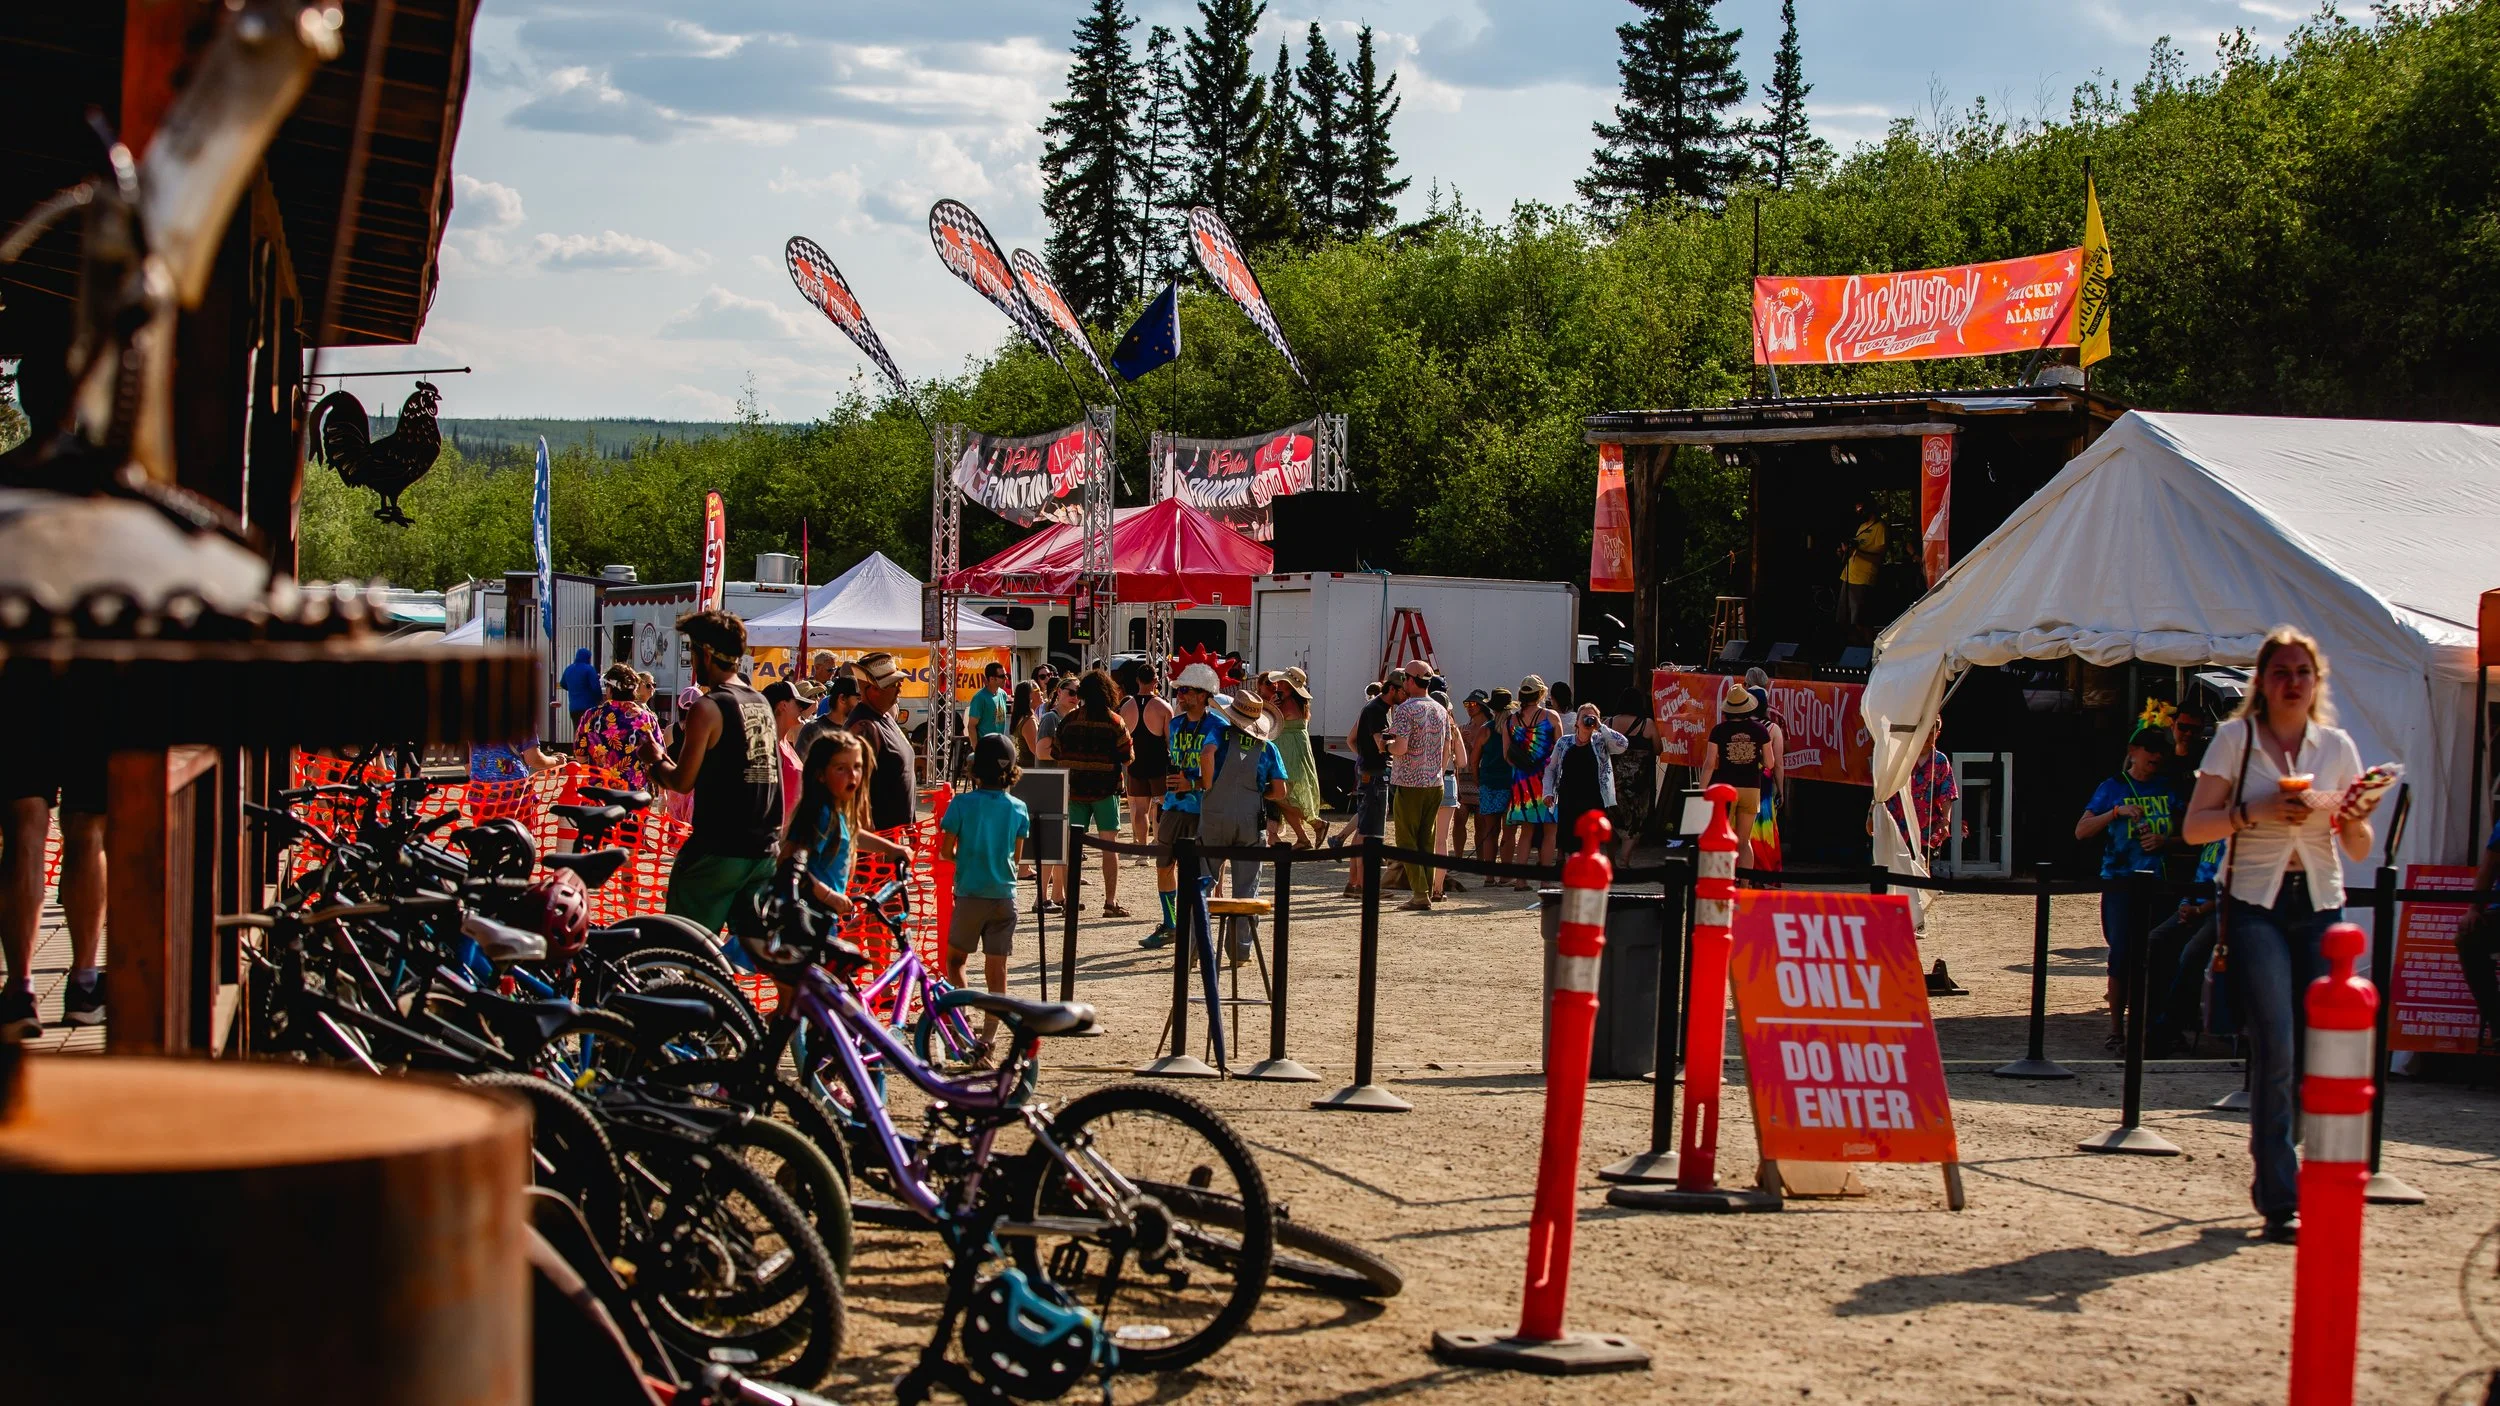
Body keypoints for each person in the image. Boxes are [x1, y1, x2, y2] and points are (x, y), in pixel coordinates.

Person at [2181, 627, 2383, 1244]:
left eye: (2302, 672)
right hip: (2254, 904)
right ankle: (2279, 1199)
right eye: (2280, 672)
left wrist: (2353, 817)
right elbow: (2195, 829)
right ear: (2261, 683)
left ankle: (2282, 1154)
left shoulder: (2337, 746)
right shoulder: (2236, 740)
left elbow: (2356, 846)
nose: (2292, 682)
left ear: (2316, 682)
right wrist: (2256, 812)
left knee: (2315, 1054)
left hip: (2321, 901)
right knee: (2277, 1045)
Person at [642, 609, 783, 936]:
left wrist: (654, 758)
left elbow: (681, 781)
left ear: (705, 653)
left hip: (718, 851)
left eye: (692, 652)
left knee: (683, 946)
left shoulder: (707, 708)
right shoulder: (759, 702)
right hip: (763, 852)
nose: (692, 663)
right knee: (750, 953)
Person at [2077, 725, 2181, 1048]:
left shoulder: (2170, 788)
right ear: (2133, 750)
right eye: (2149, 748)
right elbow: (2081, 831)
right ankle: (2115, 1029)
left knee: (2159, 955)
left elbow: (2195, 833)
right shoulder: (2112, 787)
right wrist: (2114, 813)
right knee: (2121, 954)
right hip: (2120, 883)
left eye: (2161, 749)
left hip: (2160, 884)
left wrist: (2166, 841)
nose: (2156, 755)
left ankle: (2151, 1026)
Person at [939, 734, 1030, 1066]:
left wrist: (966, 859)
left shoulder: (961, 805)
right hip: (1005, 896)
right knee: (998, 971)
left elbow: (946, 851)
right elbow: (1016, 861)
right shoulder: (1019, 808)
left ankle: (964, 1031)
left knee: (956, 963)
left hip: (970, 894)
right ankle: (989, 1039)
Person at [1, 749, 107, 1035]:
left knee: (23, 817)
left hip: (23, 708)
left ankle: (19, 992)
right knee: (86, 826)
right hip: (90, 709)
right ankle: (84, 987)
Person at [1194, 689, 1289, 962]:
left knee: (1203, 882)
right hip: (1250, 818)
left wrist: (1209, 784)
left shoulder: (1219, 735)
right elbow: (1280, 791)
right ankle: (1240, 949)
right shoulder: (1268, 748)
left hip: (1214, 815)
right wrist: (1262, 793)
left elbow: (1207, 753)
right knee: (1247, 887)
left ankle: (1196, 947)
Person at [780, 729, 912, 917]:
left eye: (857, 767)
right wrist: (828, 896)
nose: (852, 775)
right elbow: (788, 864)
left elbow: (851, 833)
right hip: (802, 919)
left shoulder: (835, 813)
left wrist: (891, 848)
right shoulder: (821, 815)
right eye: (841, 768)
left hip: (821, 919)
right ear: (820, 774)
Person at [1145, 662, 1228, 948]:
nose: (1181, 695)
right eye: (1179, 690)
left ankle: (1194, 929)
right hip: (1173, 805)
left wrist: (1192, 784)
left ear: (1205, 695)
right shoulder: (1176, 723)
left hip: (1203, 808)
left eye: (1188, 691)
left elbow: (1220, 771)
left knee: (1198, 872)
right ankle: (1170, 924)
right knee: (1163, 865)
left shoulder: (1219, 726)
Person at [1052, 669, 1135, 918]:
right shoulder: (1115, 721)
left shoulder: (1068, 721)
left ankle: (1070, 902)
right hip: (1105, 790)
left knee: (1071, 848)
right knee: (1109, 847)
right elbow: (1127, 757)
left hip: (1074, 790)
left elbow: (1056, 752)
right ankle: (1110, 902)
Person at [1384, 661, 1449, 912]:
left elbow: (1400, 747)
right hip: (1435, 782)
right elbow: (1446, 749)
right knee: (1427, 839)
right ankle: (1428, 890)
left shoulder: (1405, 710)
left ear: (1410, 681)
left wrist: (1384, 745)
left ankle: (1420, 894)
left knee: (1406, 840)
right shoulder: (1440, 709)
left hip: (1410, 782)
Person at [1701, 680, 1774, 872]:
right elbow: (1770, 763)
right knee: (1744, 841)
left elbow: (1709, 764)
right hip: (1751, 787)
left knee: (1722, 837)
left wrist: (1701, 790)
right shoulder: (1760, 730)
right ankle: (1745, 883)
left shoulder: (1718, 730)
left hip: (1725, 788)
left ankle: (1723, 876)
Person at [1341, 670, 1400, 896]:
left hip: (1369, 772)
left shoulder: (1375, 708)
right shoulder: (1377, 710)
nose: (1405, 695)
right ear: (1393, 689)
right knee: (1372, 833)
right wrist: (1400, 740)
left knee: (1363, 829)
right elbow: (1380, 743)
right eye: (1402, 690)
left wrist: (1362, 759)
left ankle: (1355, 883)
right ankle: (1366, 886)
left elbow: (1353, 739)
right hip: (1376, 775)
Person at [1545, 701, 1629, 858]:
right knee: (1569, 838)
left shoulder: (1601, 742)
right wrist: (1547, 792)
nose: (1588, 720)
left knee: (1591, 839)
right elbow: (1551, 768)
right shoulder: (1564, 742)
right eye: (1584, 717)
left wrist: (1601, 727)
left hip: (1593, 798)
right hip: (1568, 798)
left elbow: (1623, 744)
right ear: (1576, 721)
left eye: (1592, 717)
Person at [847, 651, 918, 834]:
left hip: (890, 839)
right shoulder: (863, 728)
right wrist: (873, 845)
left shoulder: (884, 718)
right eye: (893, 684)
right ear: (873, 690)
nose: (900, 687)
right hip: (875, 848)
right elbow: (853, 791)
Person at [1502, 676, 1562, 887]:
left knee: (1526, 831)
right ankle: (1545, 882)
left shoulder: (1510, 720)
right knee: (1549, 831)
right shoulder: (1551, 717)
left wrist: (1523, 768)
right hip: (1547, 780)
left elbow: (1507, 755)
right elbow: (1560, 751)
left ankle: (1520, 880)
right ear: (1540, 694)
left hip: (1521, 782)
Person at [574, 663, 665, 791]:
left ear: (610, 689)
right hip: (634, 796)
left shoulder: (591, 715)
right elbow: (659, 756)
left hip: (599, 793)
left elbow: (580, 755)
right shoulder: (646, 719)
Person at [1120, 661, 1174, 863]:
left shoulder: (1126, 707)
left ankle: (1142, 851)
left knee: (1140, 809)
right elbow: (1170, 739)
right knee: (1161, 805)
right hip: (1158, 762)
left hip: (1136, 762)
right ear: (1155, 681)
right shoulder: (1163, 707)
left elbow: (1123, 738)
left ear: (1137, 680)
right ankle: (1159, 846)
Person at [1271, 669, 1322, 849]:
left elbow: (1271, 721)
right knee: (1285, 797)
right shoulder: (1299, 704)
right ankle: (1303, 837)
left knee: (1282, 797)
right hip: (1295, 751)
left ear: (1291, 686)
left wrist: (1270, 705)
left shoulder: (1287, 704)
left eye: (1282, 683)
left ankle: (1316, 825)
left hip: (1290, 754)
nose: (1278, 685)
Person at [1429, 688, 1468, 901]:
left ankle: (1422, 885)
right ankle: (1438, 888)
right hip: (1449, 781)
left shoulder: (1425, 725)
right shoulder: (1453, 729)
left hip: (1426, 781)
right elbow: (1462, 761)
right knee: (1442, 841)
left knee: (1425, 837)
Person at [1473, 689, 1515, 871]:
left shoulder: (1485, 730)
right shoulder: (1515, 728)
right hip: (1511, 784)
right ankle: (1505, 875)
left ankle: (1489, 875)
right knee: (1509, 832)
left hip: (1489, 783)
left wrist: (1478, 780)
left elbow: (1474, 760)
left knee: (1490, 832)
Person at [763, 679, 807, 831]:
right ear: (783, 706)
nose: (802, 708)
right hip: (774, 844)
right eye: (798, 703)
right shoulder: (768, 747)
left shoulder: (785, 744)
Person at [1837, 499, 1885, 634]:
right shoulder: (1863, 526)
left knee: (1860, 622)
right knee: (1844, 621)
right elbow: (1854, 551)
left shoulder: (1879, 527)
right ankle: (1856, 650)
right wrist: (1844, 552)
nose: (1859, 512)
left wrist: (1857, 551)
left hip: (1862, 579)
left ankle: (1868, 651)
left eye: (1861, 509)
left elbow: (1879, 556)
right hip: (1848, 576)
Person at [968, 662, 1011, 749]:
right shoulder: (979, 698)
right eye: (1002, 676)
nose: (1005, 678)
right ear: (991, 679)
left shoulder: (1003, 694)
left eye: (1006, 675)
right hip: (985, 748)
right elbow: (971, 726)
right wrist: (977, 750)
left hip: (999, 746)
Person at [560, 646, 603, 730]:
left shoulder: (568, 669)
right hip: (588, 707)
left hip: (573, 708)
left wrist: (573, 689)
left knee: (577, 731)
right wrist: (600, 700)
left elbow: (562, 684)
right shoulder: (589, 669)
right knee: (588, 732)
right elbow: (595, 688)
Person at [1009, 679, 1040, 770]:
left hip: (1022, 769)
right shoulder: (1029, 721)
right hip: (1029, 771)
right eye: (1037, 691)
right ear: (1029, 696)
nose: (1041, 693)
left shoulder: (1021, 716)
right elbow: (1036, 751)